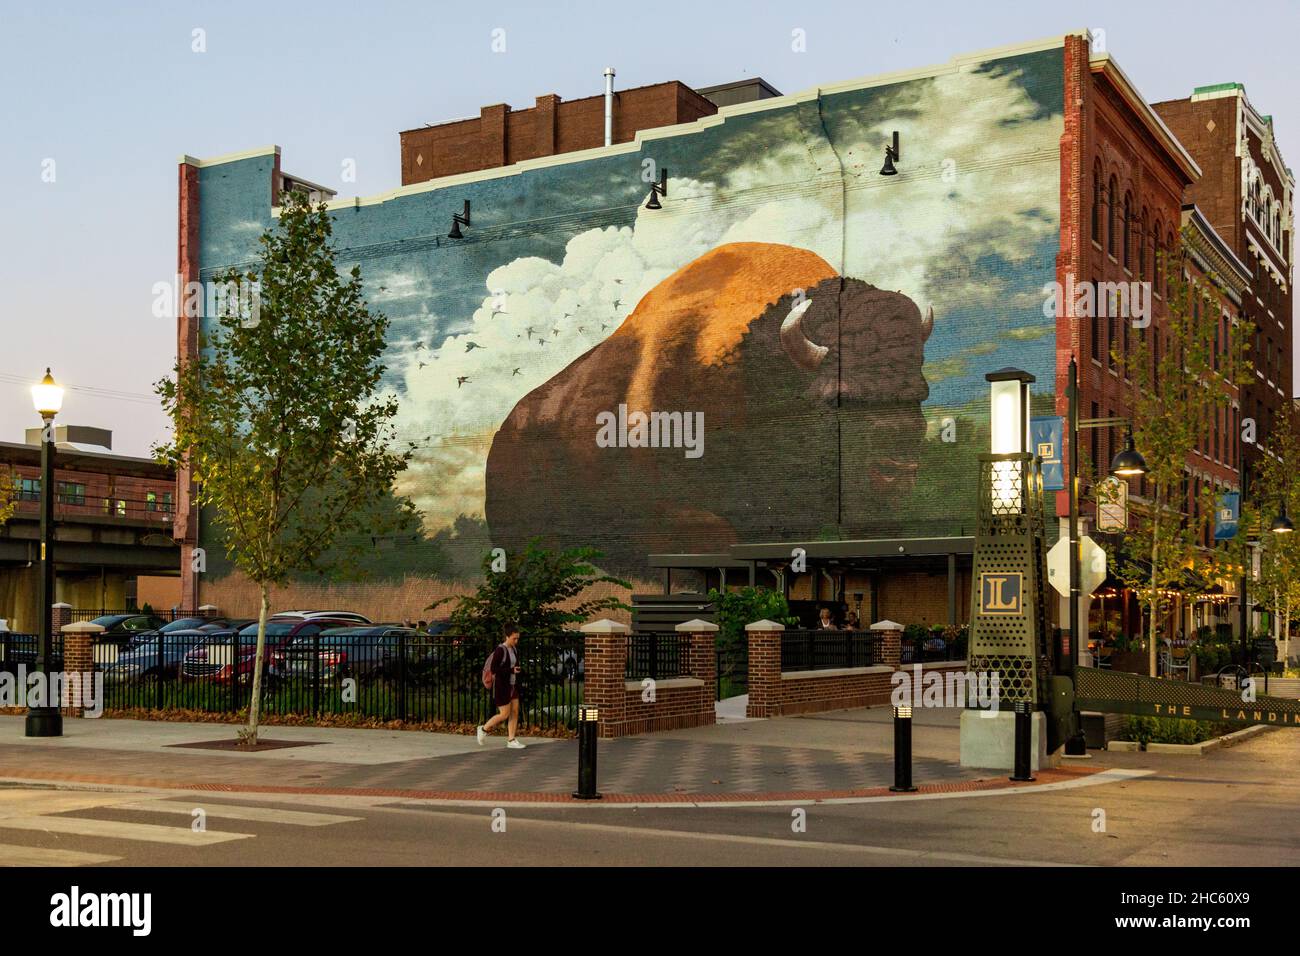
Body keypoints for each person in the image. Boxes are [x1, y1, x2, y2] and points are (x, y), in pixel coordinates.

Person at [477, 623, 526, 749]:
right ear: (507, 636)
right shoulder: (500, 650)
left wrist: (515, 671)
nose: (516, 641)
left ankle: (511, 739)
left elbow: (514, 665)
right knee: (504, 714)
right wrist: (511, 670)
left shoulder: (514, 649)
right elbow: (494, 669)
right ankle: (483, 729)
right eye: (514, 638)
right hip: (502, 686)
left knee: (515, 711)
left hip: (512, 685)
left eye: (517, 638)